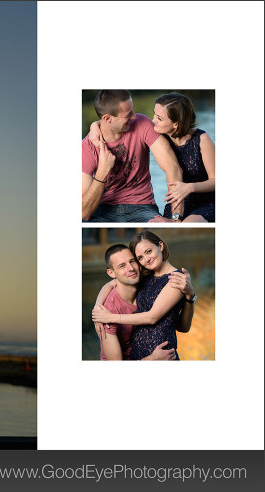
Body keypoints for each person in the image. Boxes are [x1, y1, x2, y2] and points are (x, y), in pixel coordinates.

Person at [89, 92, 215, 223]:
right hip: (176, 202)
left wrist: (189, 188)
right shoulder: (158, 134)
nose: (153, 120)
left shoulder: (202, 140)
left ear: (176, 124)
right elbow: (113, 120)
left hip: (205, 202)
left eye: (159, 118)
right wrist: (94, 125)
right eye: (154, 114)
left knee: (187, 224)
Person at [81, 90, 184, 222]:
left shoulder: (142, 124)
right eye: (127, 115)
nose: (134, 117)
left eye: (133, 111)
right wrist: (102, 172)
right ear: (107, 119)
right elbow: (83, 213)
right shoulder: (87, 147)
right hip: (102, 210)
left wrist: (176, 217)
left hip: (142, 208)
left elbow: (173, 168)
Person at [92, 231, 196, 360]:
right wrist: (97, 306)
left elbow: (153, 317)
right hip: (138, 355)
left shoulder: (176, 279)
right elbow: (112, 283)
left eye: (148, 251)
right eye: (140, 257)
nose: (146, 259)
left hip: (162, 356)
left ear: (161, 246)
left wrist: (110, 317)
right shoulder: (145, 274)